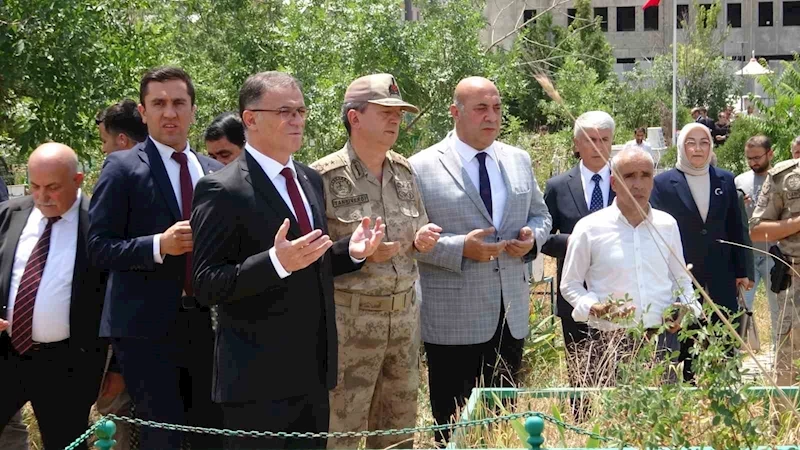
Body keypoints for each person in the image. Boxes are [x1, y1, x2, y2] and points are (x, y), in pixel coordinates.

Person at [191, 71, 384, 450]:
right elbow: (206, 283)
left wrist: (352, 252)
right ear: (250, 119)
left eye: (300, 110)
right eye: (284, 111)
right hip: (256, 382)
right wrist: (274, 263)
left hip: (312, 372)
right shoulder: (221, 189)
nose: (296, 120)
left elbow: (311, 261)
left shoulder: (309, 179)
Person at [409, 76, 552, 445]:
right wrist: (459, 248)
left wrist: (531, 239)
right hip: (453, 319)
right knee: (453, 426)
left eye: (497, 108)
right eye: (481, 109)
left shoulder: (518, 159)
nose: (491, 116)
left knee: (502, 424)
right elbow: (413, 236)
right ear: (455, 113)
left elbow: (541, 215)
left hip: (511, 314)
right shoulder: (420, 166)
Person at [88, 66, 224, 450]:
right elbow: (98, 247)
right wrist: (157, 246)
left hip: (208, 324)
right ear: (143, 112)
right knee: (161, 435)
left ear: (193, 111)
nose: (170, 113)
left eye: (179, 103)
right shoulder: (122, 168)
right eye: (158, 103)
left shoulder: (213, 171)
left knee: (211, 431)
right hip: (146, 331)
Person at [310, 73, 440, 449]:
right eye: (385, 111)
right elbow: (314, 254)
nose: (395, 119)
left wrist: (421, 239)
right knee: (342, 433)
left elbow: (415, 227)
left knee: (398, 434)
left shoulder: (404, 170)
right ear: (354, 117)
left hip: (402, 322)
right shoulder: (322, 176)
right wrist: (359, 251)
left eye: (398, 112)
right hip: (351, 324)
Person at [561, 147, 701, 384]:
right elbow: (570, 285)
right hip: (611, 341)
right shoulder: (590, 228)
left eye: (645, 175)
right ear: (614, 183)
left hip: (662, 340)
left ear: (653, 181)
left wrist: (686, 309)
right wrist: (594, 307)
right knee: (614, 417)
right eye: (629, 176)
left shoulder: (667, 225)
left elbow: (682, 280)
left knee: (664, 418)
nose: (638, 184)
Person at [0, 143, 108, 449]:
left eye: (52, 187)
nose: (42, 197)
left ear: (77, 179)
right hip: (6, 353)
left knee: (65, 441)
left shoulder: (98, 224)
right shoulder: (9, 215)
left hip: (67, 364)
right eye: (34, 186)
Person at [650, 122, 749, 381]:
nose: (697, 148)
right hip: (681, 278)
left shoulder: (725, 180)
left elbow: (737, 227)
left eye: (704, 142)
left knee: (725, 341)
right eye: (691, 142)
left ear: (711, 147)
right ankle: (689, 401)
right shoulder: (662, 183)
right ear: (681, 146)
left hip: (721, 276)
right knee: (685, 344)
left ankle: (726, 393)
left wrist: (743, 270)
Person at [541, 111, 616, 414]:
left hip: (620, 293)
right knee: (581, 373)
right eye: (590, 140)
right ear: (576, 144)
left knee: (618, 371)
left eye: (604, 139)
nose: (597, 146)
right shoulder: (558, 186)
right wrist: (577, 242)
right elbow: (543, 238)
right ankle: (581, 430)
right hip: (575, 296)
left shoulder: (629, 179)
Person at [93, 99, 148, 450]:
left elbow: (102, 252)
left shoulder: (118, 175)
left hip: (131, 337)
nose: (104, 150)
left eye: (104, 140)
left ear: (123, 141)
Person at [750, 154, 800, 386]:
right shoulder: (785, 177)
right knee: (788, 372)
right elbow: (757, 230)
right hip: (795, 288)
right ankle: (787, 421)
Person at [735, 135, 779, 347]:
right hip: (748, 255)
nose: (753, 162)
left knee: (778, 308)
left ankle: (780, 357)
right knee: (741, 308)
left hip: (775, 254)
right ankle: (742, 354)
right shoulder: (739, 181)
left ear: (770, 154)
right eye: (749, 158)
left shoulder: (781, 179)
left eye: (757, 157)